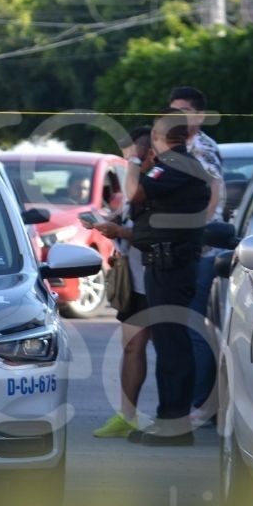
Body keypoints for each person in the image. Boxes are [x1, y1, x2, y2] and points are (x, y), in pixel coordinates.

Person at [126, 110, 210, 446]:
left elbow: (135, 195)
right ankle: (167, 418)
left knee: (172, 345)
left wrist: (134, 161)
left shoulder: (175, 165)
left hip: (171, 267)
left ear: (160, 137)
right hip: (165, 264)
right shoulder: (175, 165)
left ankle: (174, 424)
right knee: (167, 343)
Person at [167, 86, 225, 422]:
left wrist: (191, 233)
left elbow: (212, 196)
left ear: (199, 116)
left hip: (201, 250)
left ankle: (204, 406)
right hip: (186, 249)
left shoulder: (202, 150)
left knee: (195, 328)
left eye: (183, 110)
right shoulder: (179, 149)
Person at [91, 126, 153, 438]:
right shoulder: (133, 185)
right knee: (131, 347)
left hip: (160, 279)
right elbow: (131, 218)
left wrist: (121, 233)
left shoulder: (157, 184)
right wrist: (112, 225)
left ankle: (175, 416)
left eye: (133, 155)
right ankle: (126, 416)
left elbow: (158, 232)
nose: (128, 160)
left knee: (170, 352)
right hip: (135, 281)